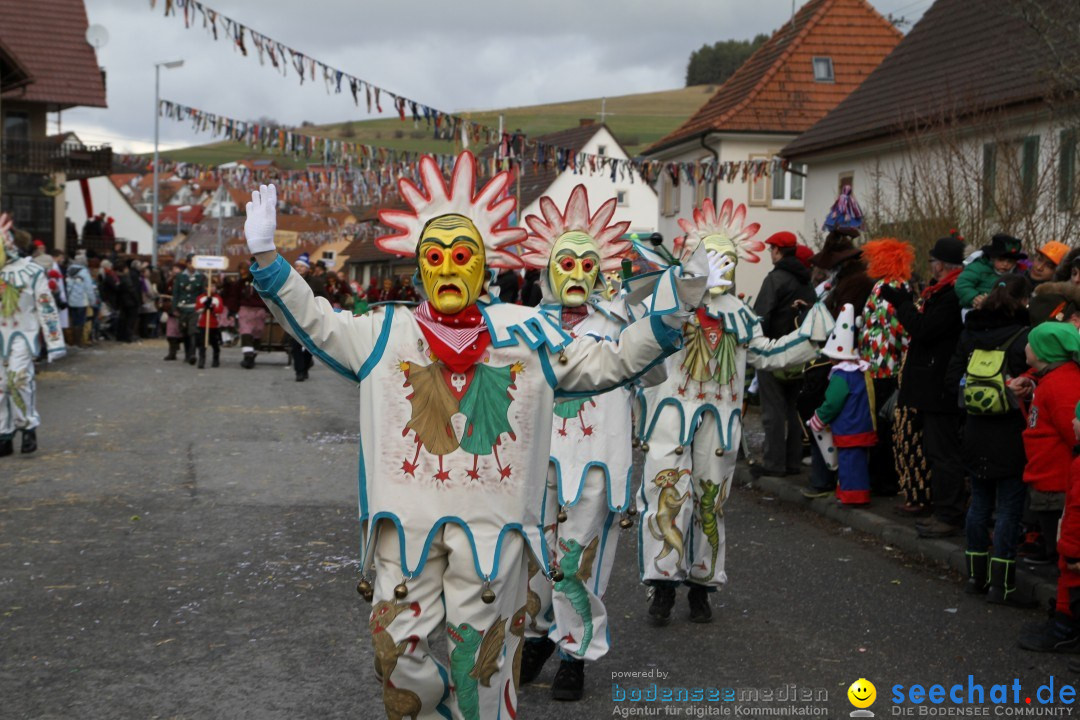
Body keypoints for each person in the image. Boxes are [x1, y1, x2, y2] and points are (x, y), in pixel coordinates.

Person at [244, 152, 713, 719]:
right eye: (435, 258)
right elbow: (314, 320)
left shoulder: (526, 335)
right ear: (419, 271)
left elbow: (609, 361)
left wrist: (673, 308)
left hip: (493, 534)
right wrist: (269, 261)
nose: (447, 270)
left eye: (461, 257)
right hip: (405, 533)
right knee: (395, 655)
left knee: (484, 666)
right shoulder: (386, 333)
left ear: (482, 269)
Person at [632, 199, 833, 624]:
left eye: (727, 258)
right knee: (666, 499)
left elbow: (769, 355)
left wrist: (812, 335)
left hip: (719, 424)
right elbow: (642, 343)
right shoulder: (671, 304)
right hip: (671, 416)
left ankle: (702, 585)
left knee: (711, 501)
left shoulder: (741, 315)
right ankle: (663, 584)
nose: (718, 266)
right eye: (711, 257)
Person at [515, 185, 638, 700]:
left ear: (600, 271)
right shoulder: (524, 329)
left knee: (577, 559)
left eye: (588, 263)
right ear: (548, 268)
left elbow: (651, 377)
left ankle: (574, 654)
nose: (577, 273)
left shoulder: (619, 326)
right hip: (537, 460)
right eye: (566, 261)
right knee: (535, 557)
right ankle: (540, 635)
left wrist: (667, 317)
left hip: (593, 463)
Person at [944, 277, 1031, 605]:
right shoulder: (1023, 338)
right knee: (1009, 507)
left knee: (979, 503)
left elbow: (953, 381)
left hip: (976, 431)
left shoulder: (969, 335)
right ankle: (1002, 586)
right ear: (1020, 303)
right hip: (1011, 433)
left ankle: (974, 578)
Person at [879, 235, 967, 538]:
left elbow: (924, 330)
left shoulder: (952, 295)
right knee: (936, 451)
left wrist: (903, 304)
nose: (929, 266)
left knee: (944, 454)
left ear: (941, 264)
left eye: (932, 261)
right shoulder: (941, 292)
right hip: (933, 384)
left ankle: (950, 514)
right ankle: (943, 510)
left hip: (940, 386)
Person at [1017, 324, 1080, 653]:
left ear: (1044, 351)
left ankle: (1065, 624)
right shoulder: (1050, 380)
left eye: (1030, 342)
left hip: (1059, 485)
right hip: (1049, 480)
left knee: (1067, 558)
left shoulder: (1062, 385)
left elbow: (1074, 439)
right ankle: (1064, 616)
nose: (1024, 346)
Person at [751, 231, 816, 478]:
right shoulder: (806, 281)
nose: (770, 253)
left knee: (773, 411)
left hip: (773, 351)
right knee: (792, 409)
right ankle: (793, 462)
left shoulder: (775, 279)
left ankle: (774, 463)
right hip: (799, 353)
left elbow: (761, 316)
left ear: (778, 250)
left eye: (771, 249)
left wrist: (757, 344)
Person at [0, 213, 65, 456]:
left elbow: (46, 306)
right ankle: (3, 434)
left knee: (18, 380)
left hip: (21, 335)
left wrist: (54, 342)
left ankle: (27, 427)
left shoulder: (31, 271)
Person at [858, 238, 915, 498]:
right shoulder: (897, 287)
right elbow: (902, 329)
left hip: (875, 366)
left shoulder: (880, 288)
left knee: (880, 427)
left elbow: (875, 327)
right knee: (890, 429)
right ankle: (888, 481)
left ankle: (878, 480)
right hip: (891, 367)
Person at [808, 303, 877, 506]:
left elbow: (832, 403)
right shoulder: (860, 372)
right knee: (857, 463)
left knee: (848, 463)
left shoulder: (841, 376)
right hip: (862, 424)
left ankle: (853, 497)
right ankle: (852, 492)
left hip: (848, 427)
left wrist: (819, 418)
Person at [955, 233, 1025, 309]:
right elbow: (962, 284)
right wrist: (974, 298)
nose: (1005, 264)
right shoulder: (978, 267)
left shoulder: (1015, 276)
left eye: (1010, 261)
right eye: (1001, 260)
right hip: (974, 308)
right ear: (992, 257)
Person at [289, 254, 318, 381]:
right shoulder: (289, 280)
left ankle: (305, 366)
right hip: (294, 316)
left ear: (307, 268)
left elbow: (325, 298)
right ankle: (299, 372)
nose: (299, 268)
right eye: (297, 266)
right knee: (295, 346)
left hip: (312, 316)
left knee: (309, 346)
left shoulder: (316, 282)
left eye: (302, 266)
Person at [173, 256, 207, 364]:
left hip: (194, 308)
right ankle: (187, 354)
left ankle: (193, 354)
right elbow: (176, 293)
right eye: (190, 263)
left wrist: (203, 306)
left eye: (194, 264)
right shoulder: (180, 277)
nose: (192, 266)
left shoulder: (201, 277)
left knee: (193, 331)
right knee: (184, 332)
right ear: (187, 264)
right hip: (182, 308)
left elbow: (203, 293)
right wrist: (174, 308)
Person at [236, 263, 269, 369]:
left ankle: (251, 356)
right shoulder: (241, 283)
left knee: (256, 333)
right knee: (246, 332)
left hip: (259, 310)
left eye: (244, 270)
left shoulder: (262, 281)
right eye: (241, 270)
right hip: (245, 309)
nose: (242, 272)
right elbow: (234, 295)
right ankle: (248, 356)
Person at [65, 251, 96, 348]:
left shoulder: (69, 270)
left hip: (71, 300)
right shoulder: (84, 272)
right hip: (82, 300)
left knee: (73, 321)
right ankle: (79, 342)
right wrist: (92, 300)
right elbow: (89, 288)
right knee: (81, 321)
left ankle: (73, 341)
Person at [193, 281, 224, 369]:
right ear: (206, 288)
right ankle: (202, 360)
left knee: (215, 343)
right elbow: (197, 309)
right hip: (203, 323)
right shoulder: (201, 298)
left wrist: (212, 308)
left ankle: (216, 359)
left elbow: (220, 310)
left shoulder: (218, 298)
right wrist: (205, 306)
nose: (212, 288)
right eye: (210, 286)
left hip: (214, 324)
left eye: (214, 286)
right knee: (202, 343)